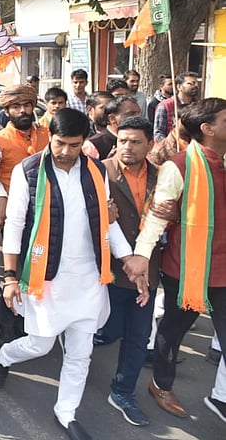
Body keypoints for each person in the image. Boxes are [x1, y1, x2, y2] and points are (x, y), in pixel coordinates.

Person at [0, 109, 145, 440]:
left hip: (89, 276)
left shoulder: (95, 170)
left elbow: (107, 221)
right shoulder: (28, 171)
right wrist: (8, 276)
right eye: (60, 143)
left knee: (80, 352)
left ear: (83, 142)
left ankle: (67, 412)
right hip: (47, 276)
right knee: (41, 344)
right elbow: (15, 226)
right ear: (50, 137)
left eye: (74, 145)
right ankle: (4, 355)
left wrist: (128, 258)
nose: (65, 152)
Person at [130, 98, 226, 422]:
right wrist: (142, 258)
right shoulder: (179, 165)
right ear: (207, 129)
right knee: (173, 331)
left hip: (225, 271)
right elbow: (156, 218)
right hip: (187, 270)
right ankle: (160, 384)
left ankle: (219, 398)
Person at [94, 117, 160, 427]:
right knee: (108, 329)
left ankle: (122, 392)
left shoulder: (162, 176)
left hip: (148, 270)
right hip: (111, 268)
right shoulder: (99, 172)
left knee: (138, 336)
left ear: (150, 144)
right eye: (122, 141)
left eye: (135, 142)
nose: (127, 147)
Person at [83, 96, 142, 160]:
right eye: (131, 114)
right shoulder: (93, 145)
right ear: (112, 118)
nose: (137, 118)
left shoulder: (144, 139)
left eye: (138, 113)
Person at [153, 71, 200, 142]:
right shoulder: (165, 105)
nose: (195, 86)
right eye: (190, 83)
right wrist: (170, 146)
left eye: (197, 84)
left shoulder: (198, 107)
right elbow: (158, 133)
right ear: (179, 87)